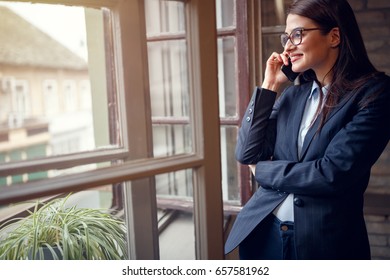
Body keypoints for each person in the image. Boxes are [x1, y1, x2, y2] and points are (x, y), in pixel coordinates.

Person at [224, 0, 390, 260]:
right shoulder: (293, 95)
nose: (288, 46)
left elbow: (331, 173)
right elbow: (246, 152)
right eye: (286, 37)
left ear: (334, 36)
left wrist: (263, 170)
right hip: (265, 231)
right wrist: (270, 85)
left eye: (298, 34)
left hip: (325, 244)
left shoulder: (374, 93)